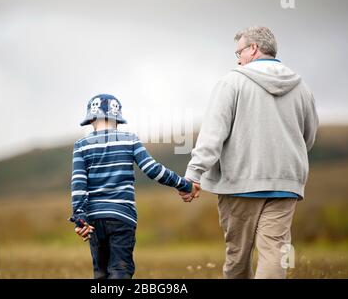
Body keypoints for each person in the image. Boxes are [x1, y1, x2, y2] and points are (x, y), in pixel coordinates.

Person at [183, 26, 319, 279]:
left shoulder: (231, 82)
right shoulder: (302, 87)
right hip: (285, 183)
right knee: (275, 253)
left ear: (254, 49)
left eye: (239, 51)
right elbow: (308, 138)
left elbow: (212, 135)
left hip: (239, 184)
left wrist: (194, 174)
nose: (237, 59)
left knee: (237, 256)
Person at [70, 93, 200, 279]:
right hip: (122, 217)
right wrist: (184, 185)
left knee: (101, 273)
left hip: (94, 219)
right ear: (118, 119)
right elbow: (152, 169)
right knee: (120, 271)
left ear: (91, 119)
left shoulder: (81, 146)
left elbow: (78, 185)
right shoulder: (129, 139)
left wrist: (80, 219)